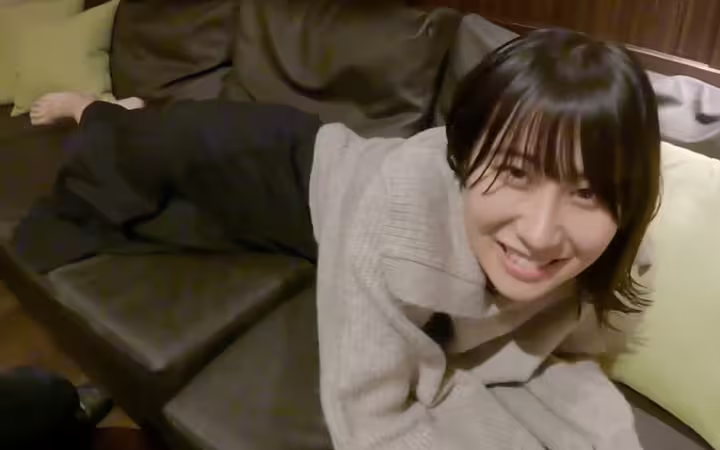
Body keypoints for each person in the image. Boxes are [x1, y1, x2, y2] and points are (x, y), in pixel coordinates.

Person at [17, 28, 660, 449]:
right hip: (285, 164)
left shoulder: (611, 250)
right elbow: (366, 420)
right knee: (145, 146)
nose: (542, 233)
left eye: (586, 192)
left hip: (332, 199)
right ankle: (97, 109)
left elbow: (556, 349)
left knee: (170, 202)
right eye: (516, 172)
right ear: (464, 158)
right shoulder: (396, 223)